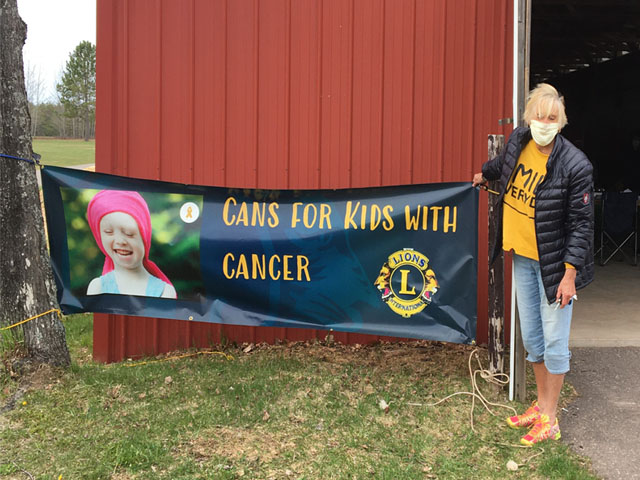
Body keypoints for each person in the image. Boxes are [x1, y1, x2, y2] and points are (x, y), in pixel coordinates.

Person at [472, 83, 594, 446]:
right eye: (539, 116)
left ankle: (551, 418)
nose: (544, 123)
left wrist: (569, 275)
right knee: (534, 340)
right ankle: (540, 408)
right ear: (528, 118)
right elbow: (502, 166)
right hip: (522, 258)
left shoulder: (576, 165)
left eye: (552, 118)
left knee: (555, 342)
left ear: (561, 122)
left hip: (556, 267)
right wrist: (484, 173)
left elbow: (582, 224)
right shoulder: (519, 141)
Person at [86, 190, 177, 299]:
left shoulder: (165, 291)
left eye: (129, 233)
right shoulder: (97, 287)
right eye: (109, 232)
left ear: (144, 236)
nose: (120, 241)